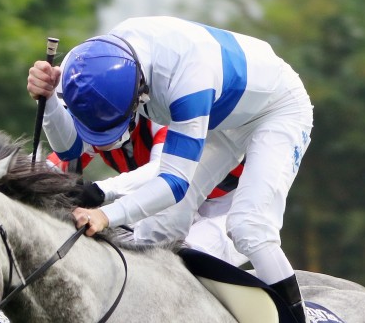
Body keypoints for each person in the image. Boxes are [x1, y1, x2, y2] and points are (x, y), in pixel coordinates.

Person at [28, 16, 318, 323]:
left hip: (276, 110)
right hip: (224, 112)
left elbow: (174, 183)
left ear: (139, 94)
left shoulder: (186, 79)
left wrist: (107, 215)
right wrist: (50, 99)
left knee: (249, 227)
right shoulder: (84, 65)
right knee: (153, 233)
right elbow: (69, 146)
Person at [47, 114, 247, 267]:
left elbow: (164, 172)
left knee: (185, 260)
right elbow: (46, 170)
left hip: (231, 206)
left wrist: (101, 189)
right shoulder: (94, 124)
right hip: (180, 201)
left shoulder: (162, 117)